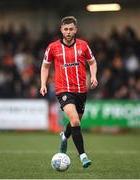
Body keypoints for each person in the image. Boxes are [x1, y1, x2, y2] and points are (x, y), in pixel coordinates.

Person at [40, 16, 98, 168]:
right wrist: (43, 83)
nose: (68, 32)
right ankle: (83, 156)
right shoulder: (53, 47)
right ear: (61, 30)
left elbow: (92, 62)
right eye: (65, 29)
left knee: (75, 122)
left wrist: (93, 76)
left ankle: (64, 136)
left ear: (75, 30)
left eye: (71, 29)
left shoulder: (83, 45)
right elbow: (45, 66)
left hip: (81, 90)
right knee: (75, 121)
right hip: (63, 90)